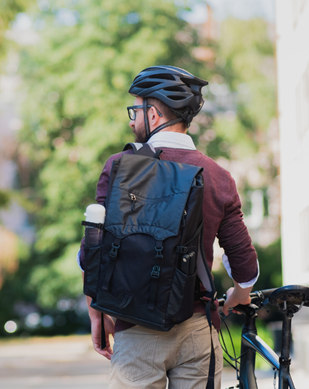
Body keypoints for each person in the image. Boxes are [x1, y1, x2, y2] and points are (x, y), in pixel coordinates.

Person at [79, 65, 259, 389]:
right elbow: (244, 264)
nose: (132, 119)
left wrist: (97, 313)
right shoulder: (218, 176)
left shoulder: (121, 167)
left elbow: (92, 253)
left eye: (136, 110)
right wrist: (239, 296)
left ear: (155, 114)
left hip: (136, 330)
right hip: (198, 333)